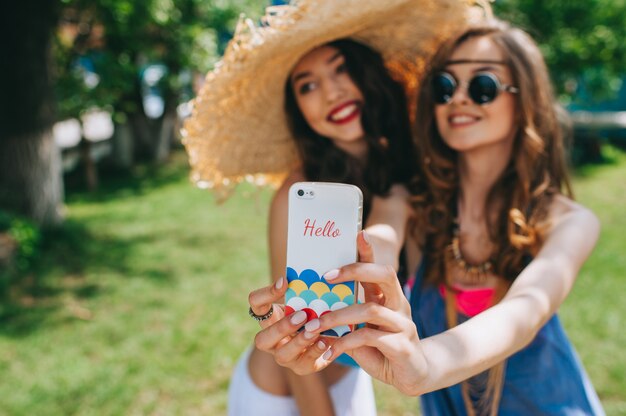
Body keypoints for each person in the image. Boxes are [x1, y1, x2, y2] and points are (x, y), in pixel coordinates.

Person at [249, 19, 605, 415]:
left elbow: (525, 311)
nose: (459, 99)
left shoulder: (569, 221)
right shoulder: (411, 196)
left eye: (483, 86)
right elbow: (383, 236)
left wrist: (425, 365)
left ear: (526, 99)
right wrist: (347, 282)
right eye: (444, 86)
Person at [182, 1, 475, 414]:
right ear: (297, 109)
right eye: (308, 85)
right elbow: (293, 332)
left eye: (341, 69)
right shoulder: (298, 193)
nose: (332, 91)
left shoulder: (408, 166)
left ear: (367, 71)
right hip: (284, 393)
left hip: (353, 373)